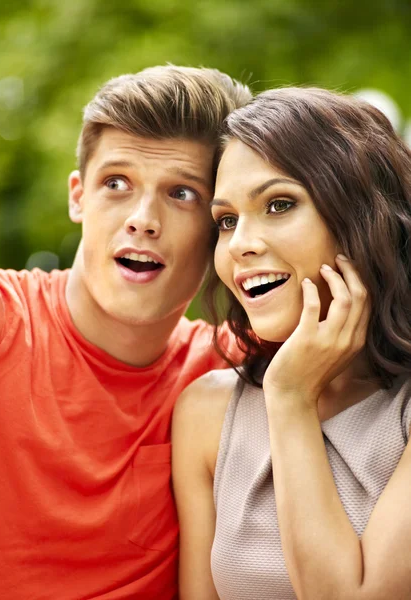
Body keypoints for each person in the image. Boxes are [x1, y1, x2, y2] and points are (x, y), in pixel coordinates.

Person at [0, 65, 252, 600]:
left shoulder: (231, 368)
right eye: (116, 183)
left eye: (182, 193)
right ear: (78, 196)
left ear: (222, 224)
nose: (142, 218)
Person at [172, 87, 411, 599]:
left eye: (279, 204)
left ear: (360, 218)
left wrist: (290, 396)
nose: (240, 244)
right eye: (226, 221)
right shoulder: (207, 412)